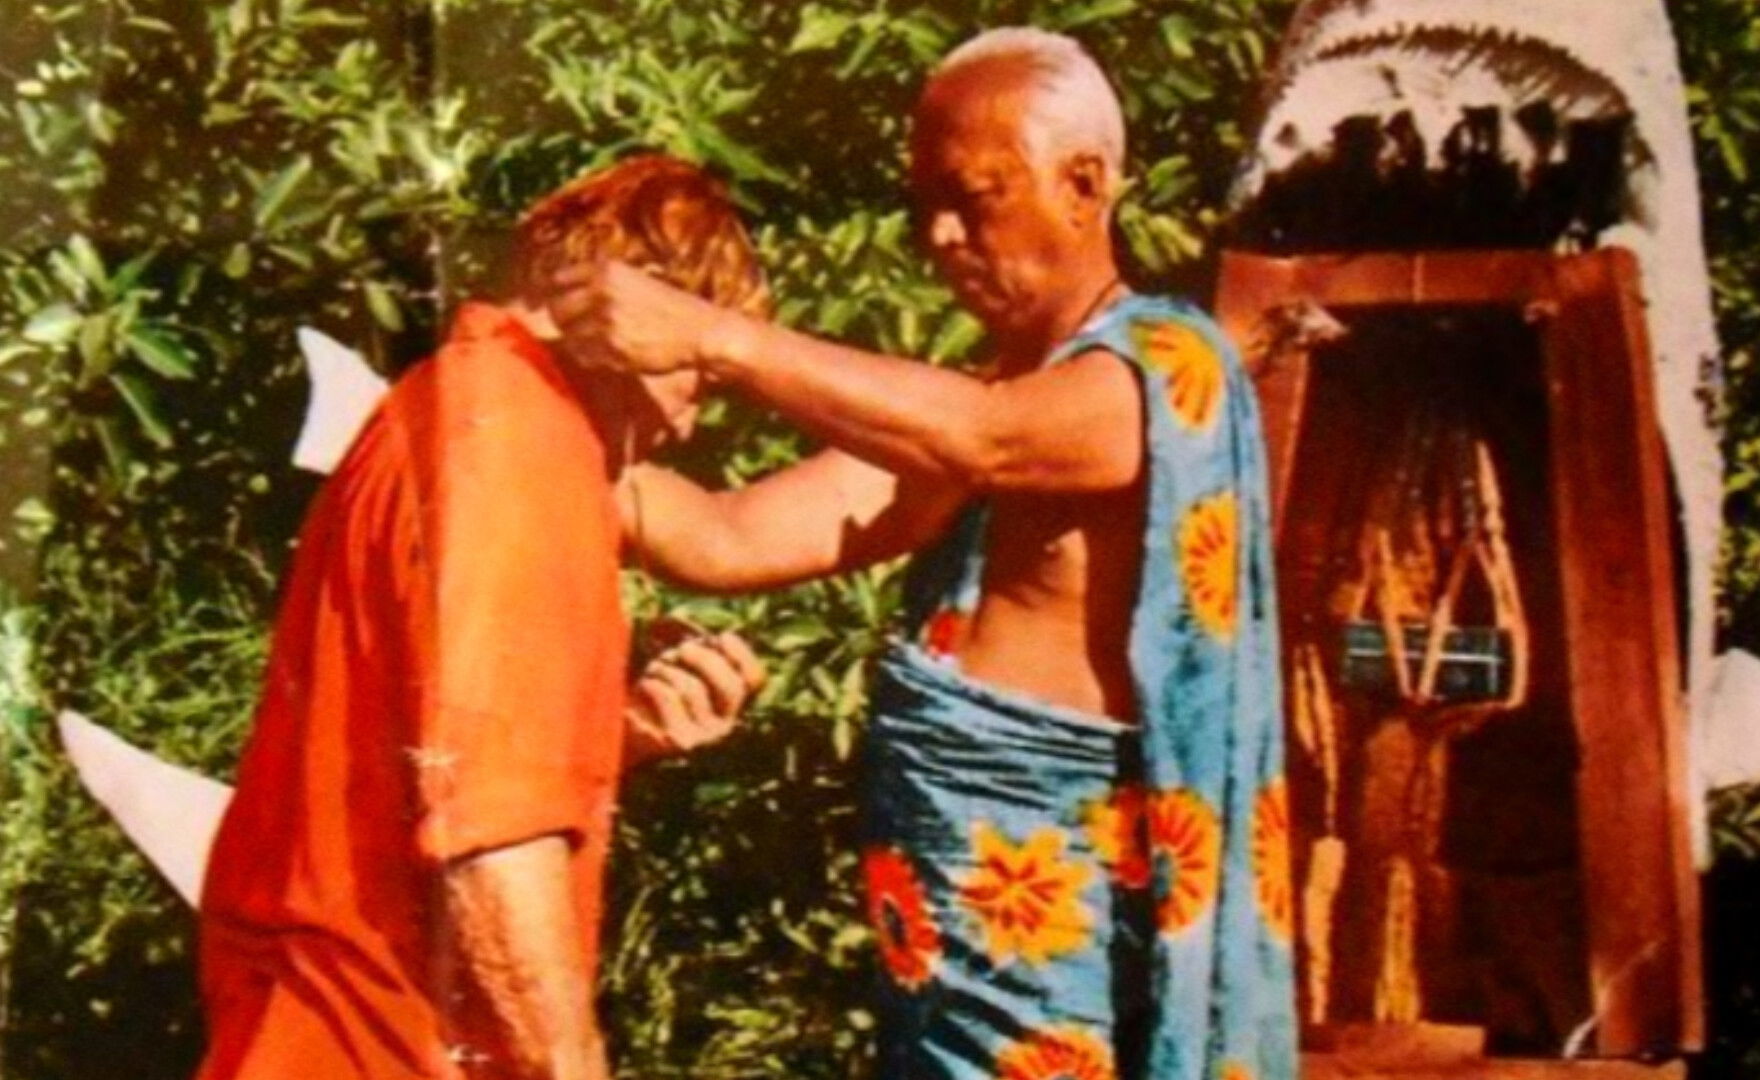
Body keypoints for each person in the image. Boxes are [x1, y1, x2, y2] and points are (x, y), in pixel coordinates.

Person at [555, 29, 1299, 1080]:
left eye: (975, 198)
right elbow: (725, 535)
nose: (942, 236)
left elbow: (984, 440)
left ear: (1085, 184)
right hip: (951, 933)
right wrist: (515, 446)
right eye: (927, 206)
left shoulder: (1165, 372)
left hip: (1067, 926)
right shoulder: (977, 406)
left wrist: (713, 335)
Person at [194, 154, 770, 1080]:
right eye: (698, 376)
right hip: (380, 1045)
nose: (689, 425)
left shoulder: (442, 404)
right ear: (636, 308)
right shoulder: (522, 444)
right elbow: (492, 835)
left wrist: (611, 735)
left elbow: (415, 760)